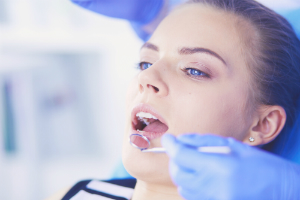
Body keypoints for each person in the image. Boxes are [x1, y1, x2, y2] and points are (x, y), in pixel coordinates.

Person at [49, 0, 300, 199]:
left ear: (262, 124)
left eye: (195, 70)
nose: (147, 76)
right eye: (145, 62)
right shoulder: (75, 194)